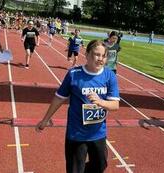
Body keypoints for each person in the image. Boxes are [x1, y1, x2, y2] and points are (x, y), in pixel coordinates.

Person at [36, 40, 120, 173]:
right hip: (77, 134)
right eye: (97, 55)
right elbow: (59, 98)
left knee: (100, 166)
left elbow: (115, 105)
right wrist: (45, 120)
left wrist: (101, 102)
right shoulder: (74, 74)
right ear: (86, 54)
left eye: (104, 56)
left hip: (98, 134)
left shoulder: (109, 75)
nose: (100, 59)